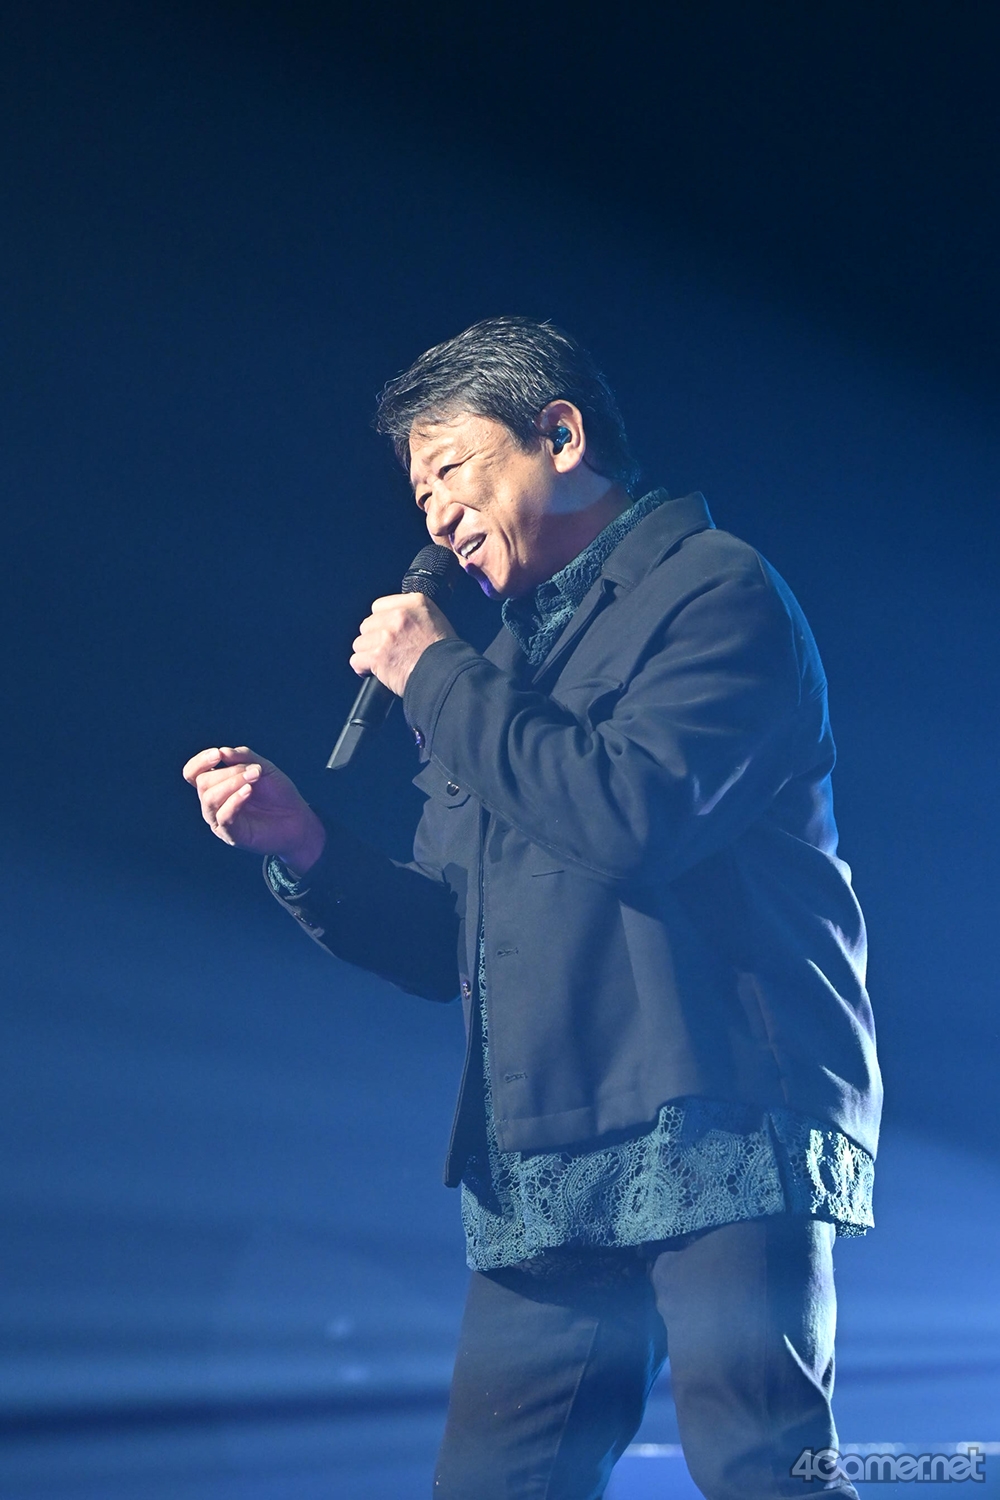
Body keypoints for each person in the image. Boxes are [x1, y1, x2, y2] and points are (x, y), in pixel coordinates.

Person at [183, 317, 881, 1500]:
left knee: (761, 1470)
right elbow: (449, 940)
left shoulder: (715, 591)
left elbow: (633, 818)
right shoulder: (497, 672)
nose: (434, 518)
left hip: (724, 1117)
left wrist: (434, 672)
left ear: (558, 436)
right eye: (418, 494)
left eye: (450, 469)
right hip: (550, 1152)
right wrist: (303, 845)